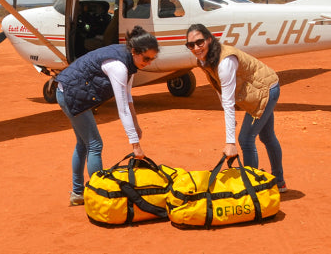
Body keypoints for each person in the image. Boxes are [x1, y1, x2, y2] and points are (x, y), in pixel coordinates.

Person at [56, 25, 160, 206]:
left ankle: (78, 193)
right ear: (135, 51)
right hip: (70, 94)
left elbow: (127, 96)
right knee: (95, 144)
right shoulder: (119, 66)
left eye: (152, 59)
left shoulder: (129, 61)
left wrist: (136, 125)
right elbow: (122, 108)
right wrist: (135, 145)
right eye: (146, 58)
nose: (149, 63)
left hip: (72, 91)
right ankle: (99, 195)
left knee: (84, 143)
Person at [185, 23, 287, 193]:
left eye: (199, 42)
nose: (196, 48)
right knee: (267, 136)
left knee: (246, 139)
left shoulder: (225, 62)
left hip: (266, 91)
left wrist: (230, 142)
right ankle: (279, 181)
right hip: (261, 88)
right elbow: (219, 87)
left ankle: (252, 189)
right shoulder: (205, 60)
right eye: (191, 45)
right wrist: (230, 123)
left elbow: (228, 101)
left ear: (209, 39)